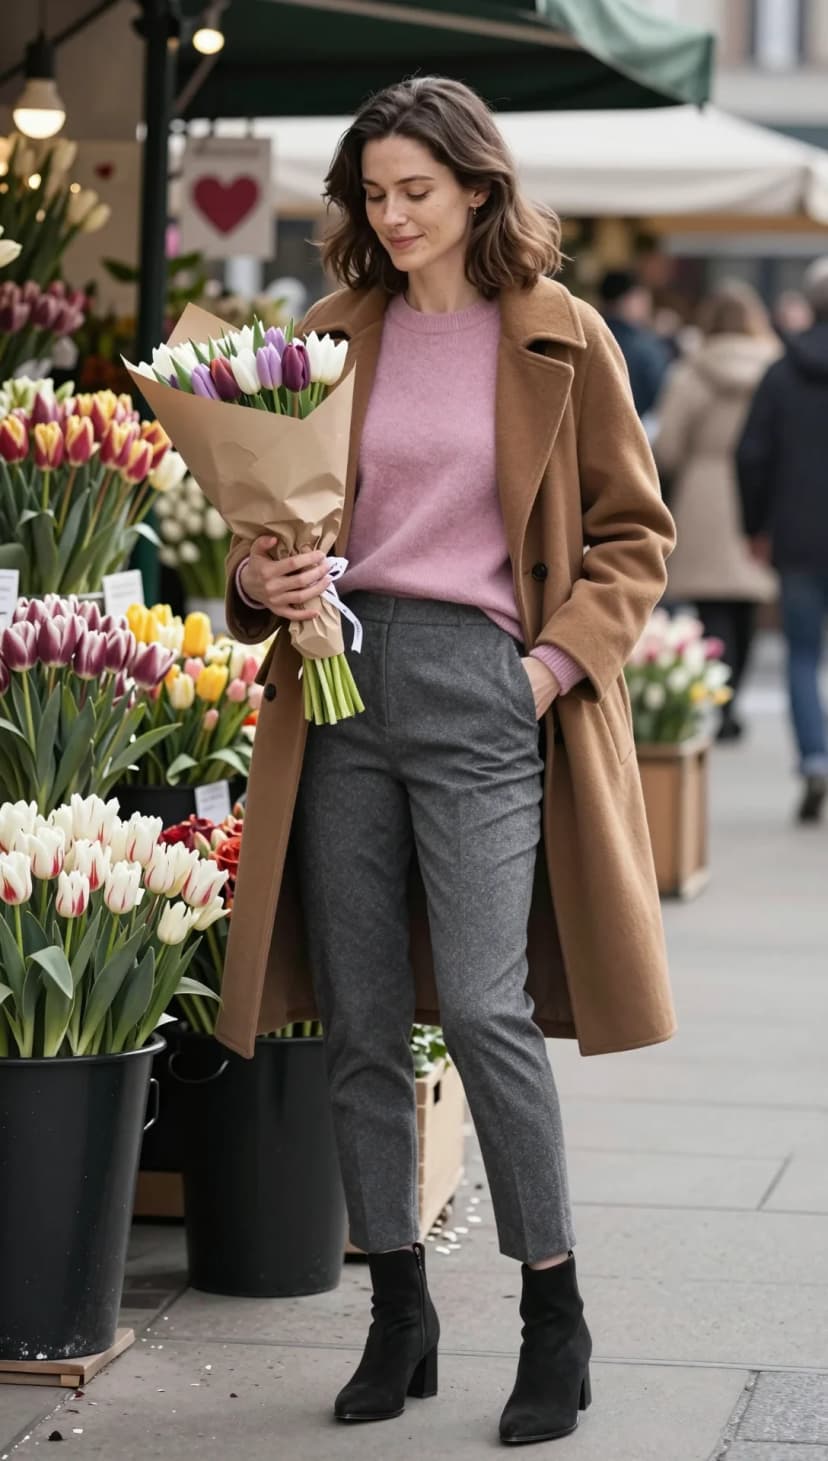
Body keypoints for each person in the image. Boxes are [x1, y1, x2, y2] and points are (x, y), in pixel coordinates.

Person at [220, 76, 676, 1445]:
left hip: (487, 688)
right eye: (374, 194)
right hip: (339, 685)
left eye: (419, 190)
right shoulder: (326, 334)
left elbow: (634, 536)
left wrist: (542, 672)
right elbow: (262, 523)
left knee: (481, 1011)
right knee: (359, 1018)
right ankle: (398, 1311)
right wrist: (262, 568)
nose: (394, 215)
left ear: (481, 187)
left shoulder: (562, 335)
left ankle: (554, 1311)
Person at [653, 281, 780, 740]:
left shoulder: (690, 373)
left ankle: (719, 698)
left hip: (704, 493)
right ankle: (734, 699)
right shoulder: (775, 372)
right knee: (746, 604)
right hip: (760, 493)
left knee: (711, 607)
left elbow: (666, 448)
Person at [737, 257, 828, 822]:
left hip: (797, 533)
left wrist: (754, 526)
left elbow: (752, 455)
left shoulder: (781, 371)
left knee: (800, 654)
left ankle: (816, 757)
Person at [597, 268, 669, 419]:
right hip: (636, 431)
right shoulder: (646, 348)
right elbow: (663, 398)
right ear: (629, 300)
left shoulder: (587, 339)